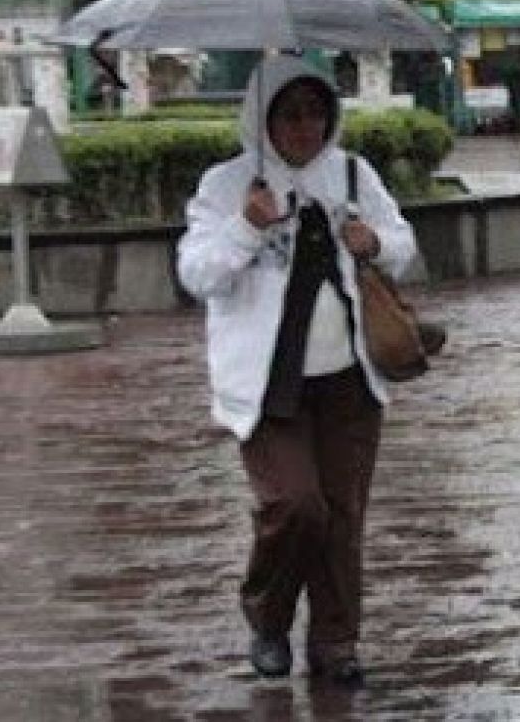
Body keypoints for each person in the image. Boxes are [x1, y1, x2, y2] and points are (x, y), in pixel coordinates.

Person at [177, 55, 418, 688]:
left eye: (316, 112)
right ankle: (268, 617)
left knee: (342, 517)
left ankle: (336, 642)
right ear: (262, 118)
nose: (303, 127)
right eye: (288, 114)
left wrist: (378, 245)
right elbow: (195, 274)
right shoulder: (228, 184)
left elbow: (402, 244)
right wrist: (246, 227)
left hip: (349, 382)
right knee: (295, 506)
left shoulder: (353, 174)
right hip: (267, 386)